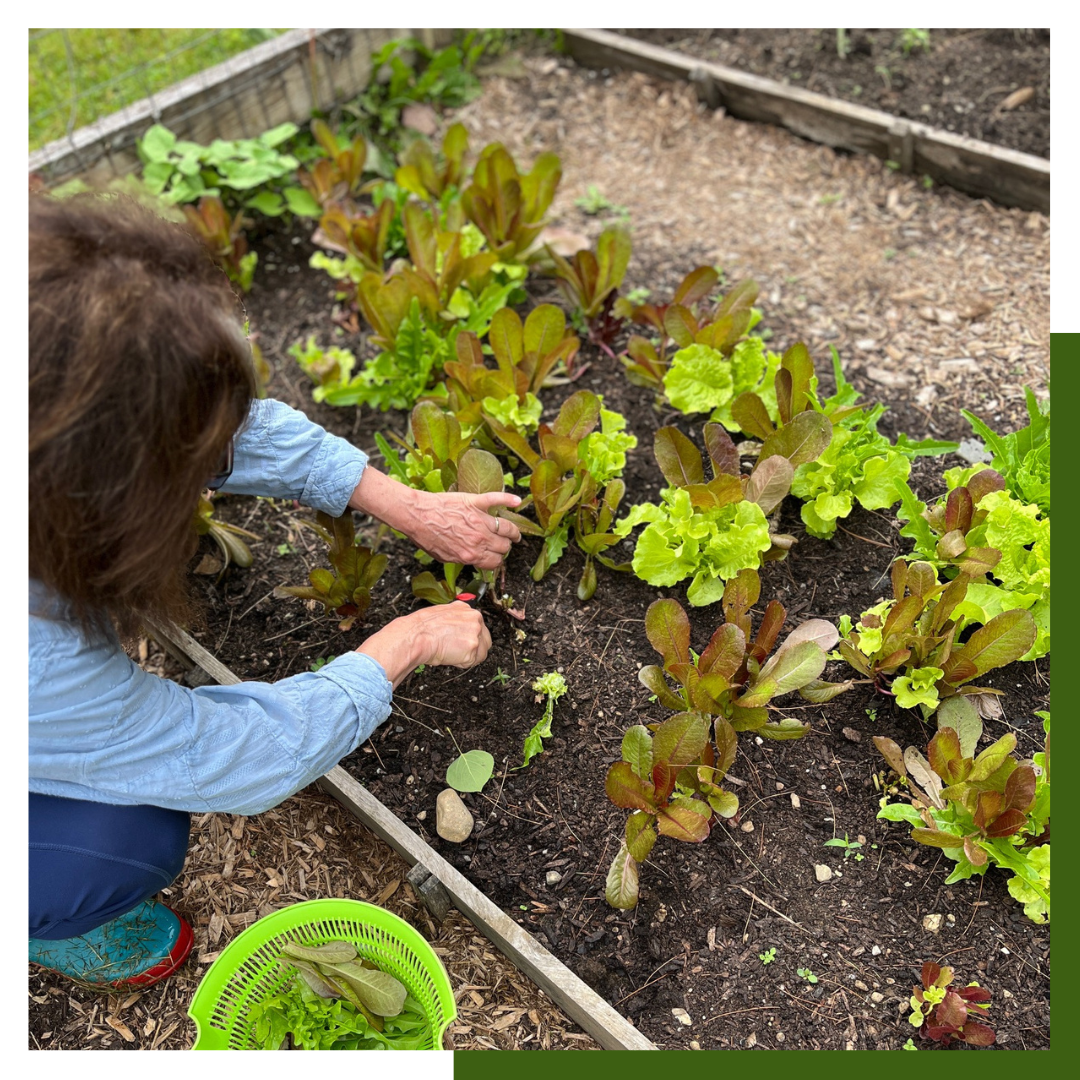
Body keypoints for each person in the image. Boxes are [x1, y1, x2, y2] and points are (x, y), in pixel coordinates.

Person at [27, 193, 522, 986]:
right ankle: (51, 918)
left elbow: (209, 419)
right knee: (121, 844)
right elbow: (231, 755)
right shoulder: (39, 663)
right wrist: (407, 641)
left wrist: (404, 504)